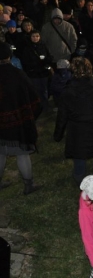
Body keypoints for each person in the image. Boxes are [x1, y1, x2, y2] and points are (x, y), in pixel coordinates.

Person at [53, 57, 93, 186]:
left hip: (77, 130)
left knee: (79, 156)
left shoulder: (68, 90)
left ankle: (81, 180)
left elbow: (62, 116)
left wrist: (58, 134)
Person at [0, 42, 42, 194]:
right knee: (22, 154)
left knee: (0, 153)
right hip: (18, 124)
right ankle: (28, 185)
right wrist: (30, 117)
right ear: (9, 56)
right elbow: (35, 99)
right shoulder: (17, 74)